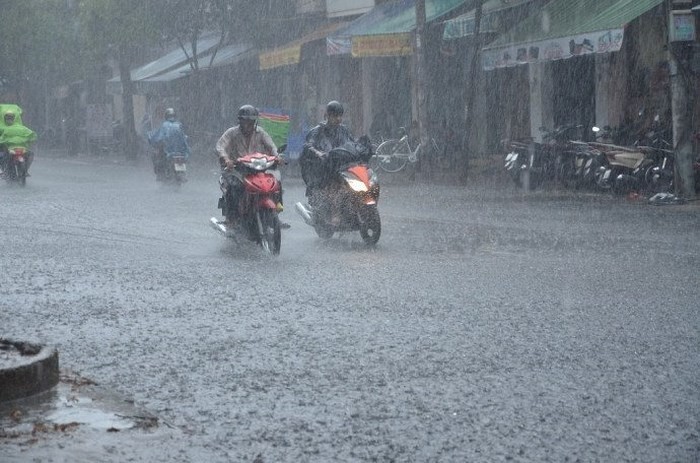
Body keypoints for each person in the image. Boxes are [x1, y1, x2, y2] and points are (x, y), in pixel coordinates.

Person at [215, 104, 288, 227]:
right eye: (245, 121)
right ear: (240, 121)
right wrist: (226, 159)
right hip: (237, 169)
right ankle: (232, 219)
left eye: (251, 121)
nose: (248, 124)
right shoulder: (232, 133)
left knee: (276, 182)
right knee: (234, 188)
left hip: (258, 168)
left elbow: (271, 146)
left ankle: (276, 212)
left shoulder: (261, 133)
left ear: (255, 121)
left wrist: (277, 157)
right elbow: (220, 146)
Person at [300, 100, 355, 202]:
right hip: (325, 171)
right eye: (335, 116)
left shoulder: (344, 131)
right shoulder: (317, 131)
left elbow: (353, 144)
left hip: (343, 168)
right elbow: (308, 146)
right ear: (327, 116)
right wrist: (318, 153)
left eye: (340, 116)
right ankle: (332, 213)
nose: (338, 119)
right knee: (331, 193)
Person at [147, 107, 191, 181]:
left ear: (166, 116)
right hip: (181, 151)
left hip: (168, 151)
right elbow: (184, 137)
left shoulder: (165, 125)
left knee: (157, 157)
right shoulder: (179, 125)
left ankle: (160, 175)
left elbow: (158, 136)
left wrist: (151, 139)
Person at [0, 110, 37, 175]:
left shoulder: (16, 128)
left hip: (18, 149)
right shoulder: (21, 128)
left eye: (10, 118)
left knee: (30, 155)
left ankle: (24, 171)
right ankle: (5, 171)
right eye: (8, 118)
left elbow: (32, 135)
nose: (9, 119)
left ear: (14, 118)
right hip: (10, 149)